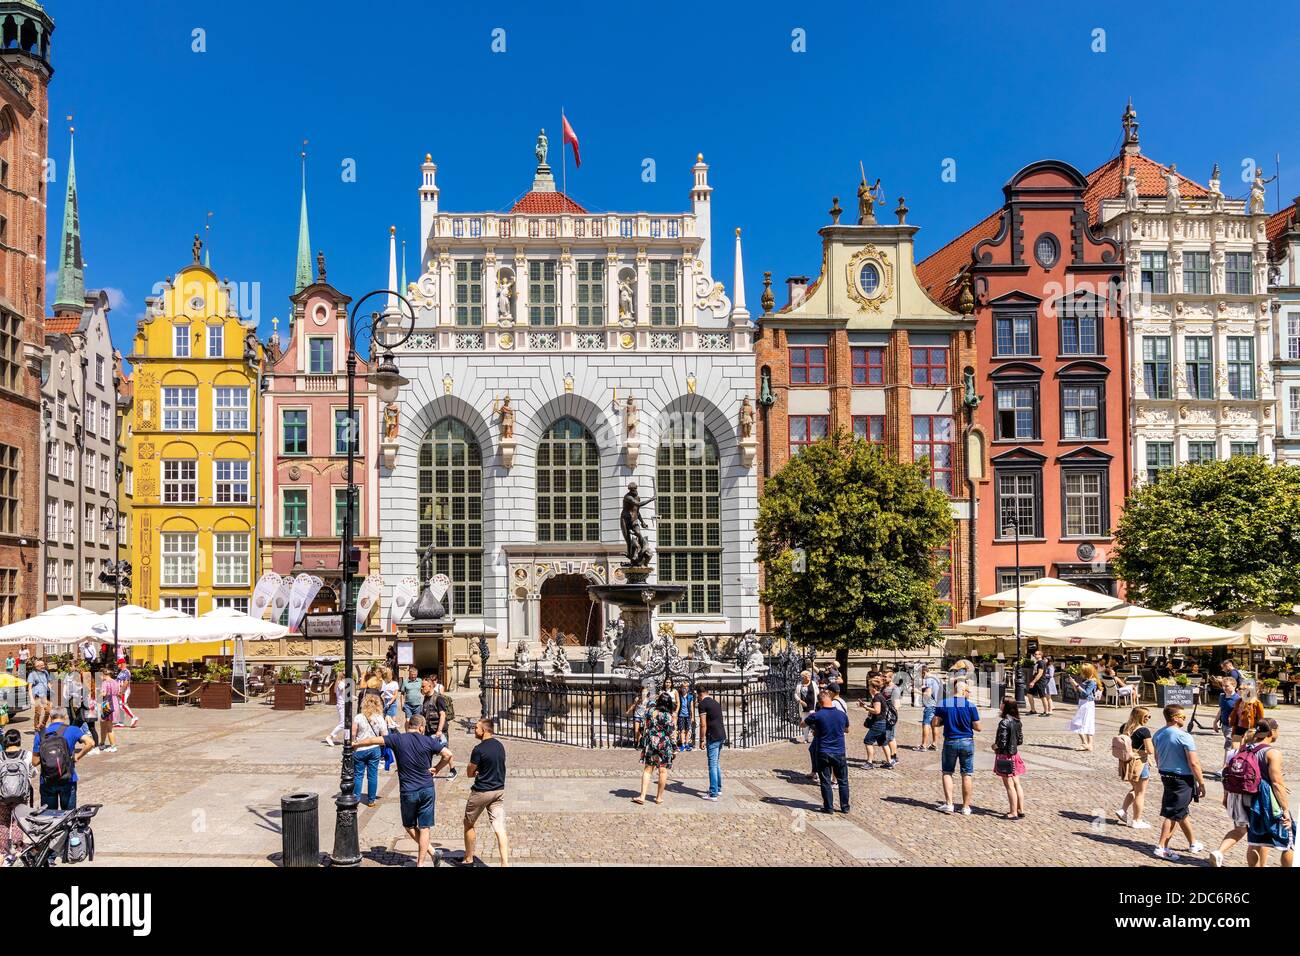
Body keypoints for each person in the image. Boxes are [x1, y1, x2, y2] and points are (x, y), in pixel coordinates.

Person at [354, 713, 454, 867]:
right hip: (427, 788)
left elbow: (374, 740)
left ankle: (433, 852)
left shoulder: (397, 739)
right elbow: (448, 754)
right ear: (421, 727)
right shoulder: (429, 740)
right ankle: (423, 862)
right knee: (425, 827)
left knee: (409, 826)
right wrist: (437, 769)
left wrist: (356, 744)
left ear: (409, 726)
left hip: (408, 790)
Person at [1152, 704, 1206, 861]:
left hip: (1166, 775)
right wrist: (1201, 783)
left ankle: (1193, 842)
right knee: (1173, 813)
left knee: (1180, 810)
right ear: (1175, 718)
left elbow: (1157, 757)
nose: (1185, 719)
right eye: (1183, 717)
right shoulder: (1184, 736)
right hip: (1182, 778)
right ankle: (1162, 847)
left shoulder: (1158, 734)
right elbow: (1194, 763)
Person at [1241, 719, 1293, 868]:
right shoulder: (1272, 753)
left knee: (1254, 841)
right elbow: (1276, 783)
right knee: (1289, 841)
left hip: (1246, 798)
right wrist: (1285, 810)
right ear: (1272, 732)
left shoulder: (1245, 748)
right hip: (1266, 801)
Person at [464, 717, 509, 866]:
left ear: (484, 731)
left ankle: (469, 859)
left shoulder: (479, 749)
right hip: (498, 791)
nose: (475, 730)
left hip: (482, 792)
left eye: (476, 728)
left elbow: (470, 772)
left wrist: (476, 772)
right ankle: (505, 863)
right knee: (499, 827)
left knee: (468, 823)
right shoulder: (500, 746)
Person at [932, 679, 982, 815]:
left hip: (951, 741)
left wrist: (946, 720)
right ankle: (966, 807)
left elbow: (935, 723)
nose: (969, 694)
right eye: (968, 691)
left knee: (947, 772)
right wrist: (967, 723)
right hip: (967, 741)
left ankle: (949, 804)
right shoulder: (971, 706)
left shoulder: (944, 704)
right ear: (964, 691)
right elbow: (978, 727)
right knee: (967, 774)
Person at [33, 707, 94, 810]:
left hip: (47, 780)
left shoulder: (41, 733)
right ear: (65, 717)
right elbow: (91, 743)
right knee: (69, 816)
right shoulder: (73, 730)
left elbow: (34, 762)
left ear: (50, 718)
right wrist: (77, 757)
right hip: (68, 778)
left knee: (49, 817)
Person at [805, 689, 850, 814]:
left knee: (825, 781)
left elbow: (803, 724)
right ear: (831, 699)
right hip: (839, 751)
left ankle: (829, 807)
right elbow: (846, 730)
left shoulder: (816, 715)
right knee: (843, 781)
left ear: (819, 702)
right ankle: (845, 807)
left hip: (823, 751)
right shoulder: (842, 715)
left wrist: (816, 727)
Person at [633, 692, 676, 805]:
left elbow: (643, 726)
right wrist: (674, 748)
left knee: (648, 769)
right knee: (662, 770)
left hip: (651, 743)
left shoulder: (649, 711)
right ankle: (659, 797)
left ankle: (642, 796)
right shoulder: (668, 716)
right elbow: (671, 733)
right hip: (663, 744)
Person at [0, 727, 33, 866]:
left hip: (2, 797)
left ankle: (2, 852)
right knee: (17, 823)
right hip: (21, 796)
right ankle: (17, 851)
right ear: (19, 740)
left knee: (3, 823)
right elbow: (33, 773)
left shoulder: (0, 756)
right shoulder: (27, 755)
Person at [351, 693, 388, 808]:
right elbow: (385, 735)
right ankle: (371, 800)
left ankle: (356, 798)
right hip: (374, 749)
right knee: (372, 775)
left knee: (358, 775)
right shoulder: (379, 718)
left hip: (359, 749)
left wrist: (355, 741)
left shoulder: (358, 717)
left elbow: (353, 734)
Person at [993, 699, 1025, 820]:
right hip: (1014, 755)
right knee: (1017, 783)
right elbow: (1020, 740)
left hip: (1005, 756)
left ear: (1005, 706)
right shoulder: (1018, 721)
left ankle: (1013, 812)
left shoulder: (1004, 722)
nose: (1000, 705)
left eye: (1002, 703)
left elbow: (1002, 742)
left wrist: (994, 746)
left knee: (1009, 785)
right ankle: (1020, 809)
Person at [697, 686, 726, 800]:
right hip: (721, 734)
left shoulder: (702, 704)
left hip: (712, 736)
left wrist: (701, 739)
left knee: (712, 764)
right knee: (716, 762)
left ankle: (713, 793)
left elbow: (703, 724)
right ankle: (718, 788)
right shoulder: (715, 702)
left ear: (699, 694)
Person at [858, 677, 891, 768]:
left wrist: (865, 707)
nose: (868, 688)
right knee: (884, 743)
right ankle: (889, 762)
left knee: (868, 741)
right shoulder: (880, 696)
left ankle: (869, 763)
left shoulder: (877, 697)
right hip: (882, 722)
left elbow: (877, 711)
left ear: (874, 688)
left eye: (869, 686)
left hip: (878, 723)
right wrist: (866, 705)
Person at [1069, 663, 1099, 751]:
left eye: (1082, 671)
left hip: (1087, 703)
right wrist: (1073, 684)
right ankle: (1088, 744)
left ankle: (1085, 743)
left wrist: (1076, 684)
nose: (1080, 672)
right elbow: (1078, 691)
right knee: (1086, 722)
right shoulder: (1086, 680)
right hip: (1082, 702)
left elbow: (1086, 693)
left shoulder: (1092, 682)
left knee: (1079, 722)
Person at [1228, 684, 1265, 750]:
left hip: (1250, 729)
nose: (1237, 689)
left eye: (1240, 689)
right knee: (1235, 748)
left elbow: (1261, 718)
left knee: (1245, 748)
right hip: (1238, 727)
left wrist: (1258, 731)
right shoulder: (1239, 701)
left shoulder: (1256, 703)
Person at [917, 665, 942, 751]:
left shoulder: (928, 679)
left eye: (920, 675)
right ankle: (934, 744)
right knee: (935, 725)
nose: (921, 677)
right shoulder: (936, 678)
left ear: (923, 672)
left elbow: (928, 694)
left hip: (930, 705)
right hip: (937, 704)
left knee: (926, 724)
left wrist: (916, 691)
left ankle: (923, 745)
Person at [1216, 678, 1241, 756]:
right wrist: (1215, 722)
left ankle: (1226, 766)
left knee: (1229, 745)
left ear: (1234, 686)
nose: (1224, 688)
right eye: (1223, 686)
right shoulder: (1222, 696)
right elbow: (1221, 710)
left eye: (1227, 686)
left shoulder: (1238, 699)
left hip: (1233, 726)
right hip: (1224, 725)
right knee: (1230, 745)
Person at [324, 670, 349, 746]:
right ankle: (330, 736)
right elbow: (344, 691)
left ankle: (347, 738)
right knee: (343, 723)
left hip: (342, 704)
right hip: (342, 704)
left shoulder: (339, 682)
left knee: (347, 722)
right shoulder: (340, 683)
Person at [97, 674, 120, 753]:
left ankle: (113, 746)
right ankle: (102, 743)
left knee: (109, 726)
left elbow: (103, 694)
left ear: (104, 675)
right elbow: (118, 692)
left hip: (107, 704)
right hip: (114, 702)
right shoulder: (115, 682)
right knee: (103, 723)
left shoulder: (105, 683)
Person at [28, 658, 51, 734]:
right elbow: (30, 687)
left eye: (43, 665)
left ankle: (42, 725)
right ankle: (36, 728)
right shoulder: (32, 674)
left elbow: (48, 682)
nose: (43, 666)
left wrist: (51, 689)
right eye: (41, 665)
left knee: (48, 711)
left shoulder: (45, 673)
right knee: (38, 712)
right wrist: (31, 698)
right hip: (37, 695)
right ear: (37, 666)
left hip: (45, 695)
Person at [115, 657, 138, 728]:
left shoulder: (126, 672)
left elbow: (126, 682)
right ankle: (121, 722)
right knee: (120, 706)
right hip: (121, 691)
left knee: (123, 705)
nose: (117, 665)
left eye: (118, 664)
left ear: (122, 664)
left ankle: (133, 717)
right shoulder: (121, 672)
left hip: (124, 691)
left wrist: (121, 691)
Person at [1026, 650, 1049, 716]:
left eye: (1036, 654)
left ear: (1040, 655)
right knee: (1029, 694)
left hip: (1040, 682)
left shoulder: (1041, 663)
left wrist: (1033, 682)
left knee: (1042, 696)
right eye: (1034, 654)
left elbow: (1040, 673)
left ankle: (1046, 712)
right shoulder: (1037, 662)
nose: (1035, 655)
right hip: (1036, 682)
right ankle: (1033, 710)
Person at [674, 681, 695, 752]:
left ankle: (687, 744)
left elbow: (692, 707)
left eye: (686, 687)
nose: (684, 688)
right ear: (681, 688)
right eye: (683, 687)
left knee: (687, 730)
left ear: (688, 688)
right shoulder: (679, 696)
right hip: (681, 715)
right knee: (681, 730)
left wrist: (692, 717)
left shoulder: (690, 696)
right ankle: (682, 744)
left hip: (688, 715)